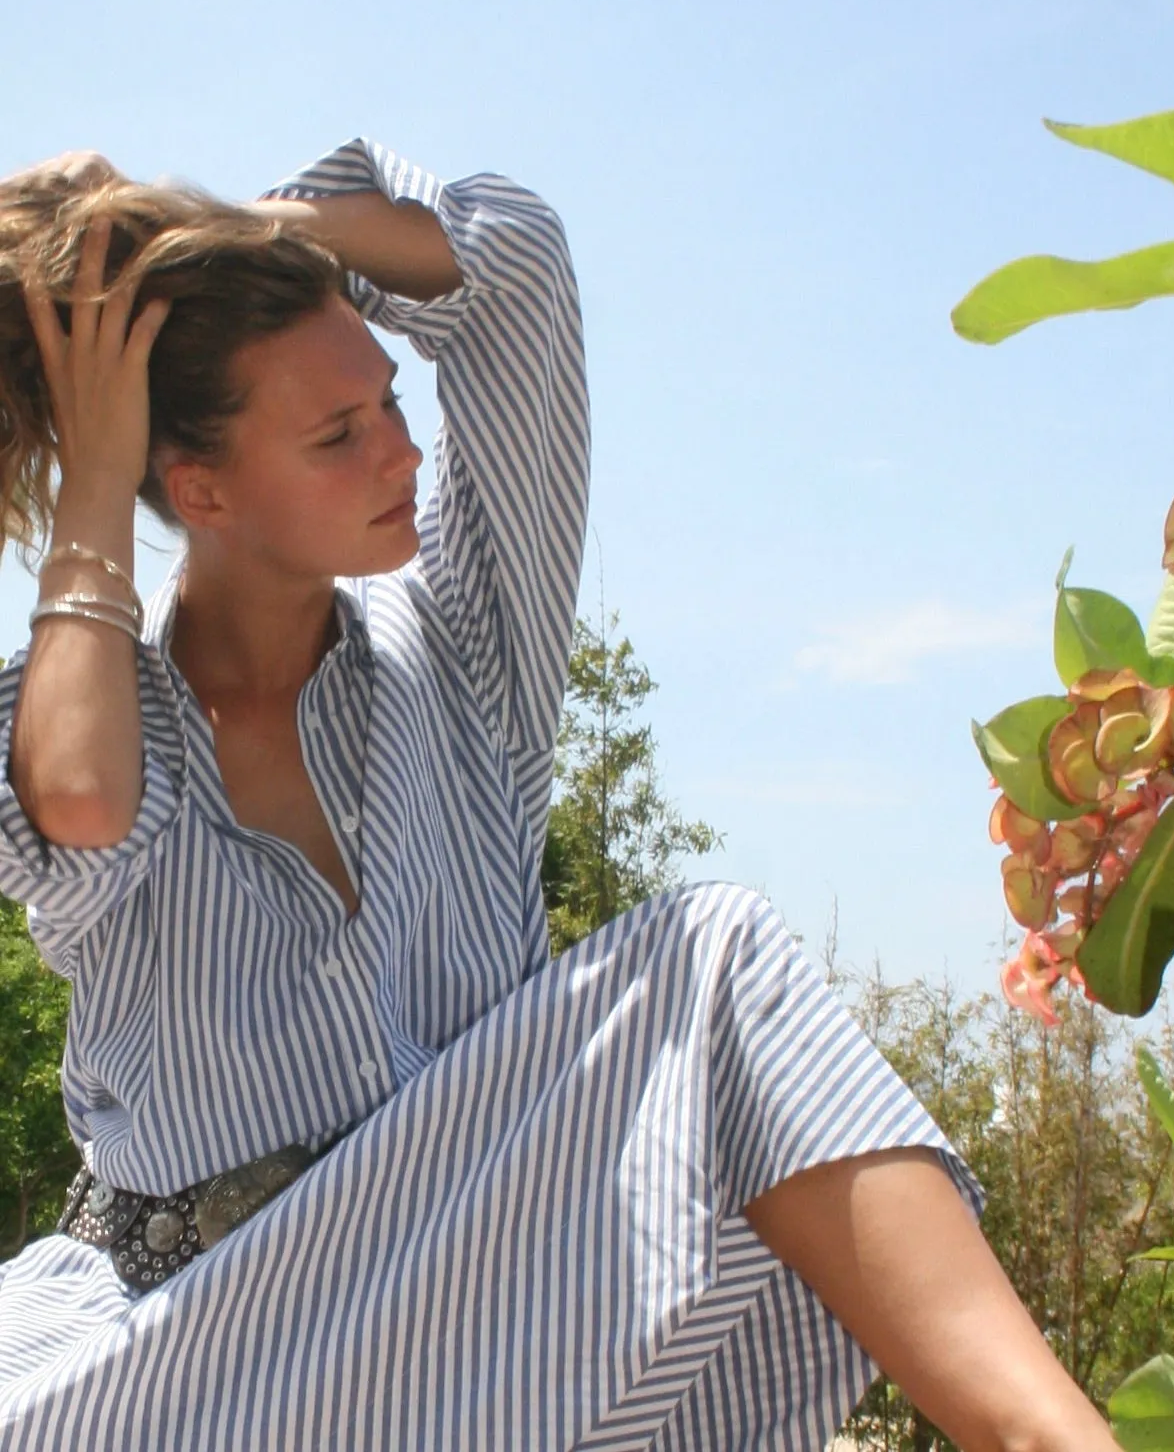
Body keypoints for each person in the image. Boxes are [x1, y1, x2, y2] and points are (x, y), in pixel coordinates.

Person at [0, 139, 1110, 1452]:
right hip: (213, 1351)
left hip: (483, 1301)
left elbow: (516, 268)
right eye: (338, 433)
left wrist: (235, 231)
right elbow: (75, 804)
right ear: (200, 488)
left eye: (392, 405)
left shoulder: (468, 643)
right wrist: (92, 488)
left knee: (714, 950)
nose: (400, 452)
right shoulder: (85, 710)